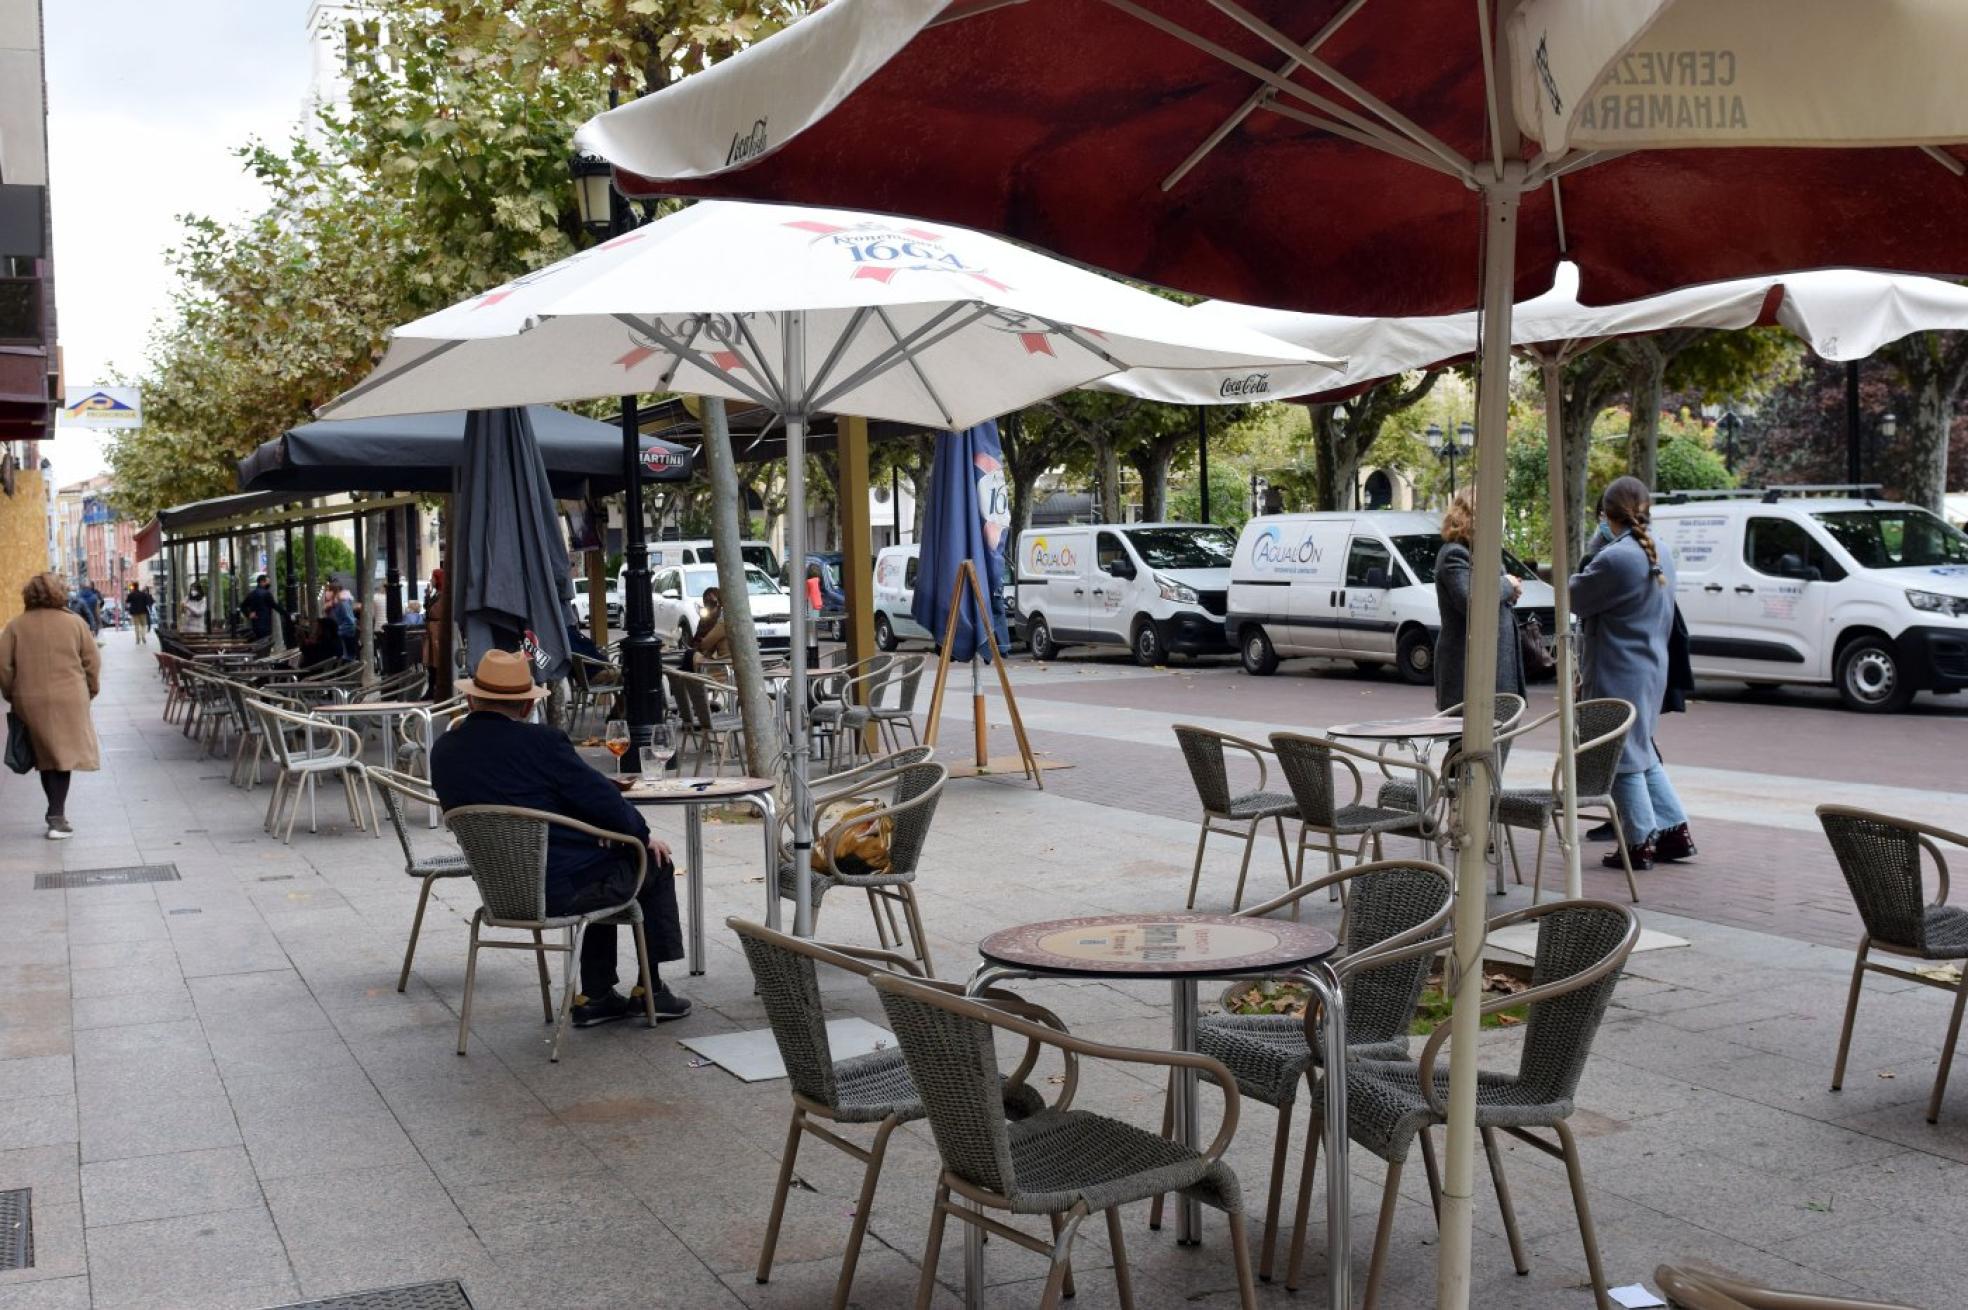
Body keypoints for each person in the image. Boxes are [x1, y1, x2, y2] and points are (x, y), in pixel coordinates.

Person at [430, 649, 690, 1026]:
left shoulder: (445, 750)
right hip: (562, 888)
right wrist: (638, 834)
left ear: (471, 699)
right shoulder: (542, 743)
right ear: (524, 707)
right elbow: (602, 800)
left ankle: (596, 994)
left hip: (500, 891)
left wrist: (604, 833)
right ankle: (651, 990)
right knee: (651, 861)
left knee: (606, 862)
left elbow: (516, 800)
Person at [1570, 475, 1697, 871]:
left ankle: (1640, 839)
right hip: (1650, 668)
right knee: (1642, 750)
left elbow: (1574, 595)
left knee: (1620, 753)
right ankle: (1675, 829)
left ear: (1606, 515)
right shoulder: (1661, 551)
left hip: (1616, 670)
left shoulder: (1617, 558)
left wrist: (1596, 543)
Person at [0, 573, 102, 840]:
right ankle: (56, 816)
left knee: (47, 756)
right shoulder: (75, 623)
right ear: (60, 593)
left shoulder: (15, 626)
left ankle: (55, 814)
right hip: (69, 698)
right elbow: (92, 662)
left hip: (29, 698)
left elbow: (4, 668)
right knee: (62, 756)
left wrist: (13, 694)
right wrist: (89, 691)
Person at [1432, 485, 1525, 713]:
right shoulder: (1455, 553)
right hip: (1469, 674)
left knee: (1498, 742)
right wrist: (1507, 585)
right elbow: (1472, 600)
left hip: (1495, 672)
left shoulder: (1482, 551)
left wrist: (1509, 592)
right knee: (1469, 747)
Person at [241, 573, 278, 642]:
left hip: (255, 625)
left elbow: (243, 606)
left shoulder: (252, 594)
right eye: (267, 582)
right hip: (265, 625)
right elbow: (276, 606)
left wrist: (249, 614)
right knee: (264, 644)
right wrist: (287, 615)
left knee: (259, 643)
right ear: (262, 582)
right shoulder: (267, 594)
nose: (268, 584)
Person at [327, 583, 358, 661]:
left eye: (327, 591)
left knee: (348, 659)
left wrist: (336, 631)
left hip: (346, 640)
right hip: (343, 639)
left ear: (333, 592)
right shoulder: (335, 604)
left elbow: (350, 623)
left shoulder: (343, 603)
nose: (325, 593)